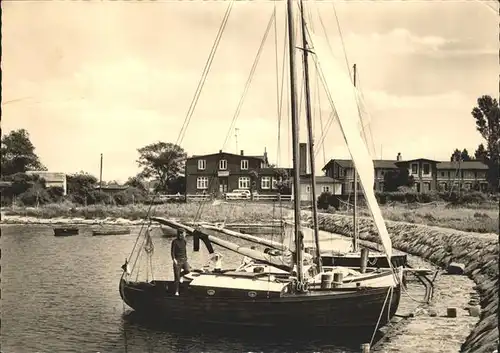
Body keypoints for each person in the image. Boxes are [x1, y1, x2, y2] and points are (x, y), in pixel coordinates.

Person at [171, 229, 190, 296]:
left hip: (184, 260)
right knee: (177, 277)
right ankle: (176, 291)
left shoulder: (184, 241)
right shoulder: (174, 241)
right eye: (183, 234)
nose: (184, 235)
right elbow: (172, 251)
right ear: (180, 234)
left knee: (188, 270)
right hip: (177, 261)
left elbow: (184, 250)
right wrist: (174, 259)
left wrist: (186, 258)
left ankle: (181, 275)